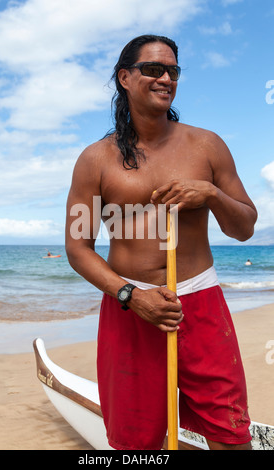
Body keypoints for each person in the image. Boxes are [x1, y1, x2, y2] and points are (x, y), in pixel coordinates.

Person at [65, 34, 257, 450]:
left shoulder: (206, 145)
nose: (165, 78)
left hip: (199, 301)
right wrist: (131, 295)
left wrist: (211, 194)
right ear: (125, 78)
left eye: (173, 71)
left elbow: (244, 227)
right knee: (137, 445)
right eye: (153, 69)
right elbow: (78, 248)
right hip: (131, 308)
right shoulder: (96, 159)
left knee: (231, 435)